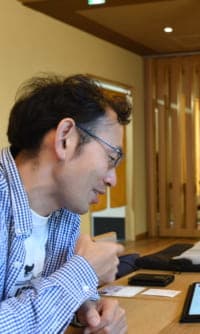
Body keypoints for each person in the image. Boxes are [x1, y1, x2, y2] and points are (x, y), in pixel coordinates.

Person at [0, 74, 131, 333]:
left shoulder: (64, 213)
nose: (112, 180)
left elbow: (40, 297)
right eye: (111, 158)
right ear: (65, 138)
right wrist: (83, 272)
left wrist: (87, 309)